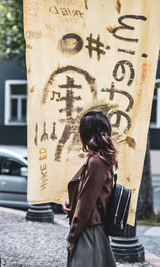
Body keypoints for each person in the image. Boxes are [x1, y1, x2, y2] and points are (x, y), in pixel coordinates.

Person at [62, 111, 117, 267]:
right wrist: (70, 201)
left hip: (89, 229)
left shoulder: (96, 162)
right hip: (92, 227)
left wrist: (72, 235)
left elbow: (86, 204)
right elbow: (86, 194)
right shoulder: (99, 159)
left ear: (86, 133)